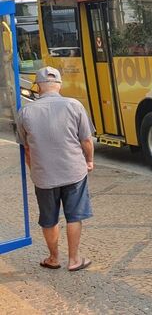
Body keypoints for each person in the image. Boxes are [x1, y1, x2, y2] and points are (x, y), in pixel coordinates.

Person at [17, 67, 95, 272]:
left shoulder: (25, 112)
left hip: (44, 176)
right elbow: (86, 140)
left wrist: (35, 170)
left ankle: (53, 258)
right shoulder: (74, 105)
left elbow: (26, 149)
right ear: (59, 85)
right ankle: (74, 260)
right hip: (73, 172)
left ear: (39, 87)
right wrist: (89, 161)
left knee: (49, 218)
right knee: (74, 216)